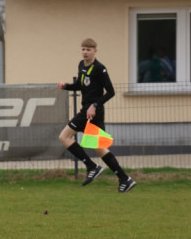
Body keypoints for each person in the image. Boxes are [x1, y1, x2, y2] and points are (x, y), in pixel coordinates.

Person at [57, 37, 136, 192]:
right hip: (87, 111)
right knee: (100, 148)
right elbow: (80, 85)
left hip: (92, 112)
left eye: (88, 49)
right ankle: (124, 179)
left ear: (95, 51)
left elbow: (111, 92)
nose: (85, 52)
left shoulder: (100, 68)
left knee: (64, 137)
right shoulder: (81, 65)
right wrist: (66, 86)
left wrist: (94, 105)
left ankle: (91, 166)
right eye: (83, 49)